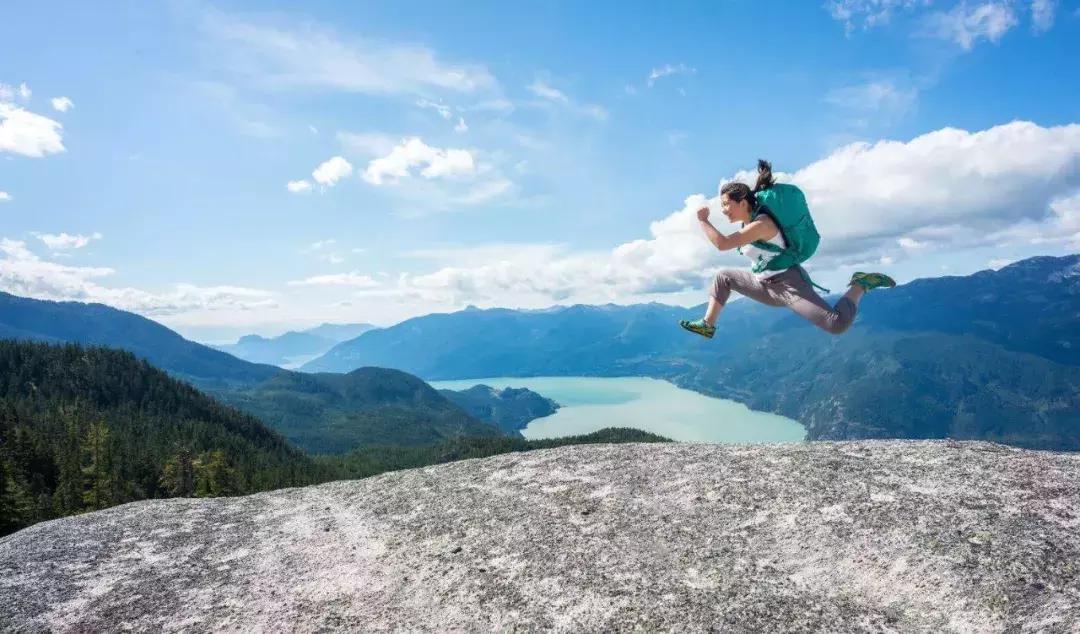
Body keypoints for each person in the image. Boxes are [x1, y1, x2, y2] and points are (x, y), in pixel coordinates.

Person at [679, 160, 895, 339]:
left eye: (726, 204)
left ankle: (860, 284)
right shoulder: (748, 222)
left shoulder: (761, 224)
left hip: (789, 285)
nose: (724, 210)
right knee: (723, 277)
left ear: (743, 202)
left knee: (836, 324)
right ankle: (708, 325)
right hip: (763, 285)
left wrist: (703, 220)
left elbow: (722, 244)